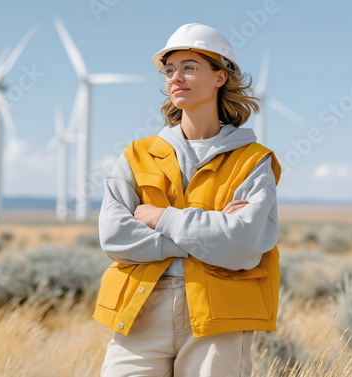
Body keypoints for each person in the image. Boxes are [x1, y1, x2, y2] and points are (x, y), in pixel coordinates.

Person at [93, 23, 282, 377]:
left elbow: (241, 246)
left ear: (220, 77)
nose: (176, 77)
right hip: (140, 311)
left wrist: (161, 217)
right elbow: (115, 237)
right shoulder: (137, 155)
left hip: (219, 317)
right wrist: (210, 232)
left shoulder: (253, 161)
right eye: (170, 70)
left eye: (190, 67)